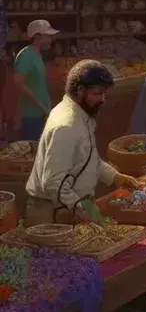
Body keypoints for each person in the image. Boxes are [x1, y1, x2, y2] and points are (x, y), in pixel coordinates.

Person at [25, 60, 137, 224]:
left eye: (104, 94)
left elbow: (87, 158)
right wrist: (83, 209)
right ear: (79, 91)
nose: (103, 99)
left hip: (73, 206)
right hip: (53, 213)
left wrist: (115, 177)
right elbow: (53, 183)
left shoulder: (82, 114)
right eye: (97, 93)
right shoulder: (66, 126)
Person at [16, 20, 56, 141]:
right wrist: (40, 106)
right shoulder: (25, 55)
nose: (51, 39)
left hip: (41, 112)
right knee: (32, 151)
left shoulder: (38, 55)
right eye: (47, 36)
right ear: (37, 36)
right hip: (30, 115)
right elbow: (19, 84)